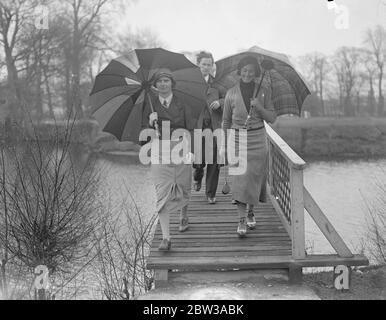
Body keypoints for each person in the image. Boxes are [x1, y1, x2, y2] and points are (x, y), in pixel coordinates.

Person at [222, 56, 277, 237]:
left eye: (251, 71)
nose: (247, 74)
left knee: (254, 177)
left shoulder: (264, 90)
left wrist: (259, 107)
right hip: (238, 139)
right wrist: (224, 142)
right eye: (244, 70)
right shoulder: (231, 93)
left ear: (256, 73)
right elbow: (226, 120)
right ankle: (241, 219)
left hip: (258, 138)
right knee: (240, 179)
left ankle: (251, 211)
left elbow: (272, 118)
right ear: (240, 71)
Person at [143, 68, 196, 251]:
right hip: (159, 151)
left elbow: (191, 128)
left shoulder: (183, 103)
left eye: (166, 80)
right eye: (160, 81)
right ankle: (166, 238)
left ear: (172, 83)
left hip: (181, 147)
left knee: (183, 186)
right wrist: (150, 123)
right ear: (155, 85)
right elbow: (141, 136)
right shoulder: (149, 106)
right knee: (162, 193)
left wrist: (192, 150)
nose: (163, 84)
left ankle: (183, 214)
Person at [193, 51, 225, 205]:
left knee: (214, 161)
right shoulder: (190, 84)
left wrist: (221, 102)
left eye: (209, 64)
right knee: (199, 160)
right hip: (197, 128)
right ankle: (198, 175)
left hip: (214, 127)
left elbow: (229, 99)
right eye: (203, 64)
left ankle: (210, 193)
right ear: (198, 65)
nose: (206, 67)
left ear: (213, 66)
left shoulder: (218, 84)